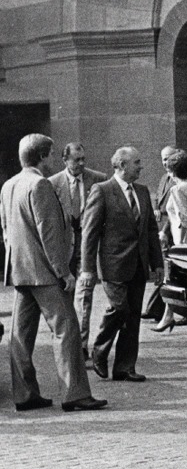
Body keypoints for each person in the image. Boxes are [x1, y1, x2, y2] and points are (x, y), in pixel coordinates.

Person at [0, 133, 107, 412]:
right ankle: (74, 394)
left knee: (20, 336)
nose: (52, 159)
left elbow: (6, 230)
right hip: (44, 273)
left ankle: (25, 394)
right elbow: (48, 234)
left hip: (20, 271)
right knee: (66, 329)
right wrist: (63, 272)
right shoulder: (40, 184)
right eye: (50, 154)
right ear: (42, 156)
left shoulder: (9, 185)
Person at [80, 146, 163, 382]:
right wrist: (87, 269)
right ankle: (99, 349)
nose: (141, 167)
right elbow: (89, 233)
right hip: (113, 265)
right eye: (137, 162)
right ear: (122, 165)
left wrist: (157, 264)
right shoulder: (102, 190)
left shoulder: (142, 191)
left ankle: (124, 367)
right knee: (119, 308)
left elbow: (151, 230)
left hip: (139, 264)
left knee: (133, 316)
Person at [49, 142, 107, 359]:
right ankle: (67, 342)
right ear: (65, 160)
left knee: (84, 296)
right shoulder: (52, 184)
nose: (82, 163)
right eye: (76, 160)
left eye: (84, 159)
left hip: (87, 248)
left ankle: (80, 346)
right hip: (64, 249)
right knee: (65, 297)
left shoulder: (98, 179)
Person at [152, 151, 187, 333]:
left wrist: (179, 247)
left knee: (173, 279)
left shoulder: (177, 190)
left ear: (172, 171)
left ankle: (169, 317)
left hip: (184, 241)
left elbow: (183, 218)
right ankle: (179, 316)